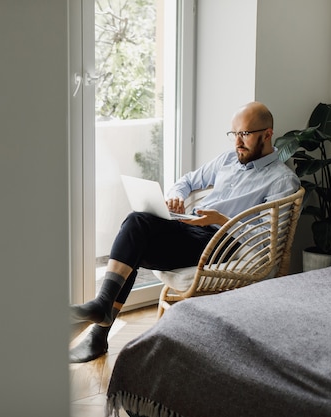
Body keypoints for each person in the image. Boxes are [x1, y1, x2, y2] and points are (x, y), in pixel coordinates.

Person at [70, 101, 300, 363]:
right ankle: (101, 320)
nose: (237, 142)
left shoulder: (282, 180)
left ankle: (100, 326)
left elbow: (270, 240)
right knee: (135, 231)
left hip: (222, 243)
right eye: (234, 134)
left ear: (267, 134)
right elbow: (188, 181)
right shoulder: (228, 160)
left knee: (136, 229)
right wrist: (176, 197)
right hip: (191, 229)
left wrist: (222, 220)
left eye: (245, 134)